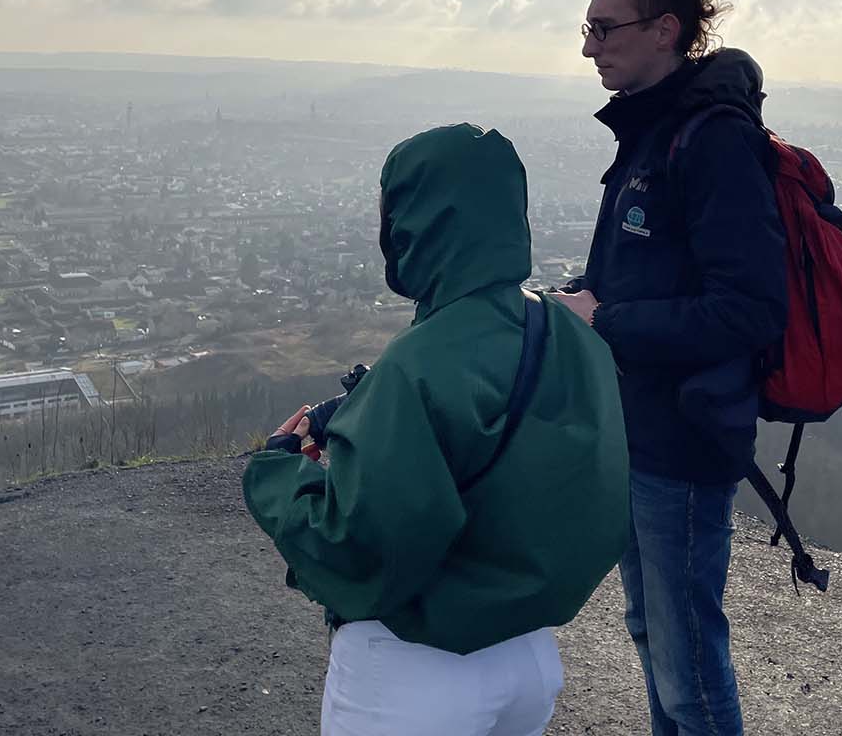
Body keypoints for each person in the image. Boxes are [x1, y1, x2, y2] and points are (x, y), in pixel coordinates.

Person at [242, 123, 630, 736]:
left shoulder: (417, 366)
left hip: (412, 669)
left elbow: (362, 547)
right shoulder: (568, 336)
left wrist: (276, 473)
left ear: (413, 222)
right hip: (530, 657)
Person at [551, 0, 788, 736]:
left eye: (604, 28)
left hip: (683, 444)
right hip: (638, 432)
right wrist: (590, 300)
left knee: (687, 662)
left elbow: (750, 309)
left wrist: (606, 319)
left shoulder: (711, 139)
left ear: (665, 30)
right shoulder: (652, 133)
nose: (590, 47)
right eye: (585, 29)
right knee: (655, 634)